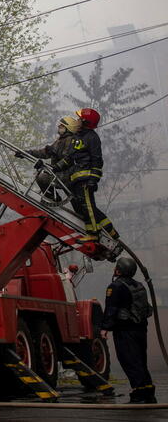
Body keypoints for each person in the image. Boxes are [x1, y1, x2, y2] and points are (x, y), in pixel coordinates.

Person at [52, 107, 119, 240]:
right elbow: (70, 157)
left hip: (85, 178)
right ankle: (110, 231)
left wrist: (93, 179)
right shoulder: (78, 137)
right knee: (85, 208)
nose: (77, 120)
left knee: (87, 207)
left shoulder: (92, 138)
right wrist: (55, 168)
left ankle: (93, 234)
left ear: (85, 122)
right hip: (76, 178)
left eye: (79, 118)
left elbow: (97, 159)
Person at [101, 257, 156, 403]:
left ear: (118, 270)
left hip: (125, 331)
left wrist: (104, 328)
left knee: (130, 361)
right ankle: (148, 390)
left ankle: (139, 394)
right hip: (140, 330)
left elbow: (111, 309)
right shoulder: (139, 285)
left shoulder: (116, 286)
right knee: (140, 360)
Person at [21, 115, 80, 200]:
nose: (59, 127)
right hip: (60, 174)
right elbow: (45, 153)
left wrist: (54, 164)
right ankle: (53, 197)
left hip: (66, 176)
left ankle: (53, 198)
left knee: (42, 178)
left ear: (68, 128)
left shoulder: (71, 141)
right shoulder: (61, 140)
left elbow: (68, 158)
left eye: (62, 126)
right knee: (76, 202)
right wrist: (27, 153)